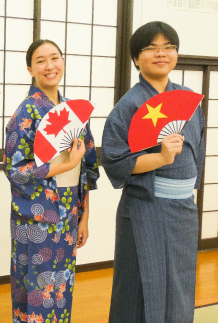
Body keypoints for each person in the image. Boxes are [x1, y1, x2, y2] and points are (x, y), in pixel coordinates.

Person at [102, 21, 205, 323]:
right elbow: (116, 162)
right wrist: (161, 157)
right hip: (146, 209)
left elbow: (197, 149)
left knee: (181, 283)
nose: (161, 54)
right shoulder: (128, 105)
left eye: (168, 47)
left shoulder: (187, 100)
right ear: (136, 58)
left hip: (184, 210)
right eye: (151, 48)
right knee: (139, 285)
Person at [3, 39, 99, 323]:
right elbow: (16, 170)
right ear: (30, 68)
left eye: (55, 58)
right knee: (34, 287)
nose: (50, 66)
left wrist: (84, 216)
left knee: (61, 285)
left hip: (70, 209)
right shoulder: (26, 111)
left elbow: (88, 167)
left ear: (63, 62)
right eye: (41, 60)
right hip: (36, 213)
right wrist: (65, 164)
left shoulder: (74, 110)